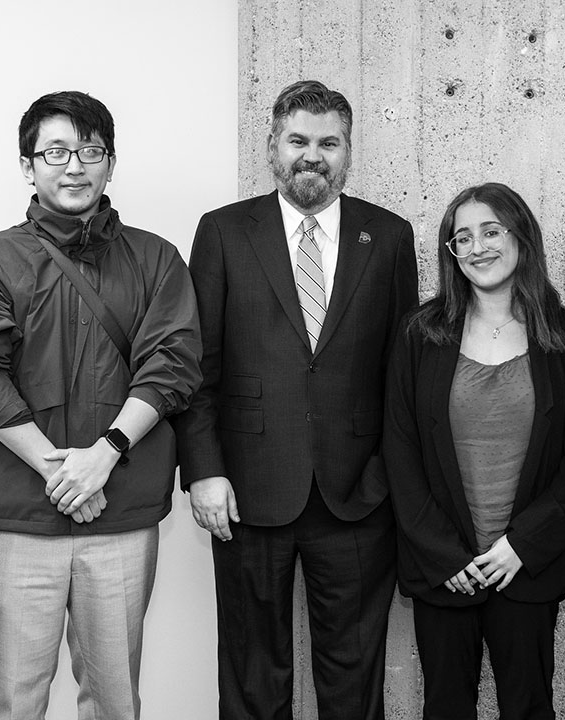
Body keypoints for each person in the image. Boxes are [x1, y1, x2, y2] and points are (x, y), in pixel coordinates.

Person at [0, 90, 202, 720]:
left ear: (111, 162)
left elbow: (173, 364)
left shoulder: (156, 258)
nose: (75, 165)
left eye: (91, 151)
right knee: (12, 702)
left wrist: (104, 457)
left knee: (115, 700)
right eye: (56, 151)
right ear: (28, 165)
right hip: (19, 519)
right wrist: (63, 472)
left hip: (123, 513)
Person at [174, 79, 419, 719]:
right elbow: (200, 369)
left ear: (347, 151)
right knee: (253, 673)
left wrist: (392, 478)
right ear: (273, 147)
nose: (314, 155)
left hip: (359, 493)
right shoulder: (224, 232)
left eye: (329, 143)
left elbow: (404, 375)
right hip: (247, 491)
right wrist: (204, 472)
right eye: (299, 140)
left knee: (353, 675)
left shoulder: (388, 236)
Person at [383, 183, 565, 719]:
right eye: (462, 238)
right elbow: (400, 450)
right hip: (446, 568)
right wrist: (443, 554)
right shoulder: (421, 334)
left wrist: (521, 545)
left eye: (491, 231)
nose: (477, 246)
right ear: (450, 253)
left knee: (529, 707)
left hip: (525, 566)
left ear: (521, 235)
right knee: (447, 708)